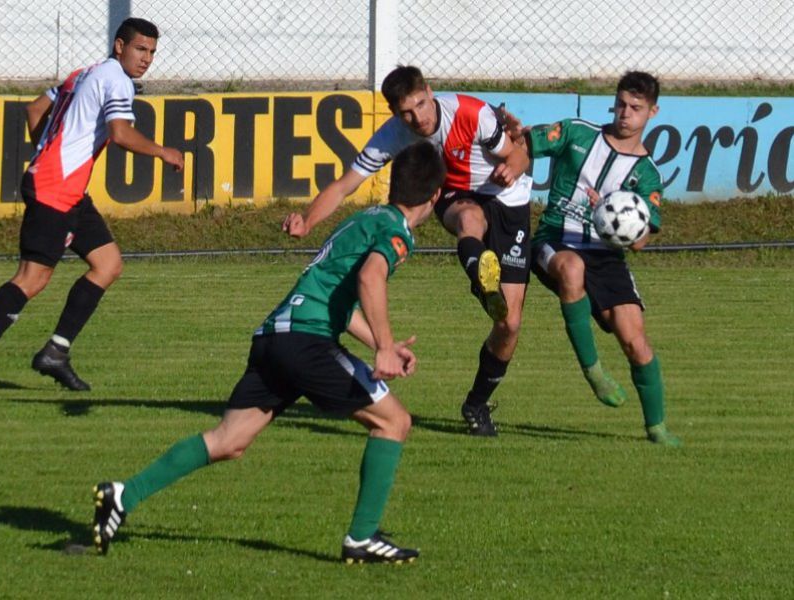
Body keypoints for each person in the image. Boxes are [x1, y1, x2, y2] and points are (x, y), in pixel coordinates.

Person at [92, 142, 446, 563]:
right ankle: (362, 537)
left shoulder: (364, 218)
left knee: (229, 441)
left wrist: (381, 343)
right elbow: (372, 277)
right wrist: (385, 348)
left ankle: (123, 495)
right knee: (394, 422)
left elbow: (337, 299)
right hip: (305, 342)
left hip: (275, 337)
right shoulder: (396, 231)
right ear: (436, 195)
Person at [283, 65, 532, 437]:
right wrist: (307, 220)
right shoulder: (393, 136)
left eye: (420, 105)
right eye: (406, 112)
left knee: (508, 324)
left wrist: (510, 169)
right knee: (468, 220)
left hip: (510, 198)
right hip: (457, 195)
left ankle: (476, 403)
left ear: (430, 92)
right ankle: (481, 269)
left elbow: (520, 154)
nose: (417, 118)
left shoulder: (471, 112)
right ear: (395, 113)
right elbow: (344, 185)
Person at [0, 18, 184, 393]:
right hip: (56, 188)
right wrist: (162, 151)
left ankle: (56, 351)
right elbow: (120, 133)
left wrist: (48, 151)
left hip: (66, 189)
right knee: (32, 278)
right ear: (119, 46)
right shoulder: (117, 80)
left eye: (152, 52)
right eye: (140, 49)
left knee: (108, 264)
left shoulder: (83, 73)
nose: (147, 58)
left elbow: (35, 110)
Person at [509, 71, 681, 446]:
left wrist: (609, 212)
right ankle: (594, 373)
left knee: (636, 343)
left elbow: (640, 244)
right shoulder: (576, 132)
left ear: (652, 112)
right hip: (557, 239)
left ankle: (657, 429)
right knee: (572, 268)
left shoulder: (647, 176)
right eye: (620, 104)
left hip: (607, 257)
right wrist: (513, 150)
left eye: (635, 108)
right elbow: (524, 142)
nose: (625, 113)